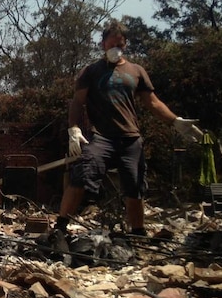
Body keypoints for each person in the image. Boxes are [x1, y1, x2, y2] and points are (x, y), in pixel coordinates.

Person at [54, 20, 202, 239]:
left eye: (120, 45)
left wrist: (175, 121)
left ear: (125, 45)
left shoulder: (137, 71)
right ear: (103, 44)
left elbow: (153, 102)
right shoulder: (91, 71)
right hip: (102, 137)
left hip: (130, 139)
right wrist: (73, 129)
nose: (116, 48)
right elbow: (77, 102)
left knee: (135, 186)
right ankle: (60, 226)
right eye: (112, 44)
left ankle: (138, 233)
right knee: (82, 174)